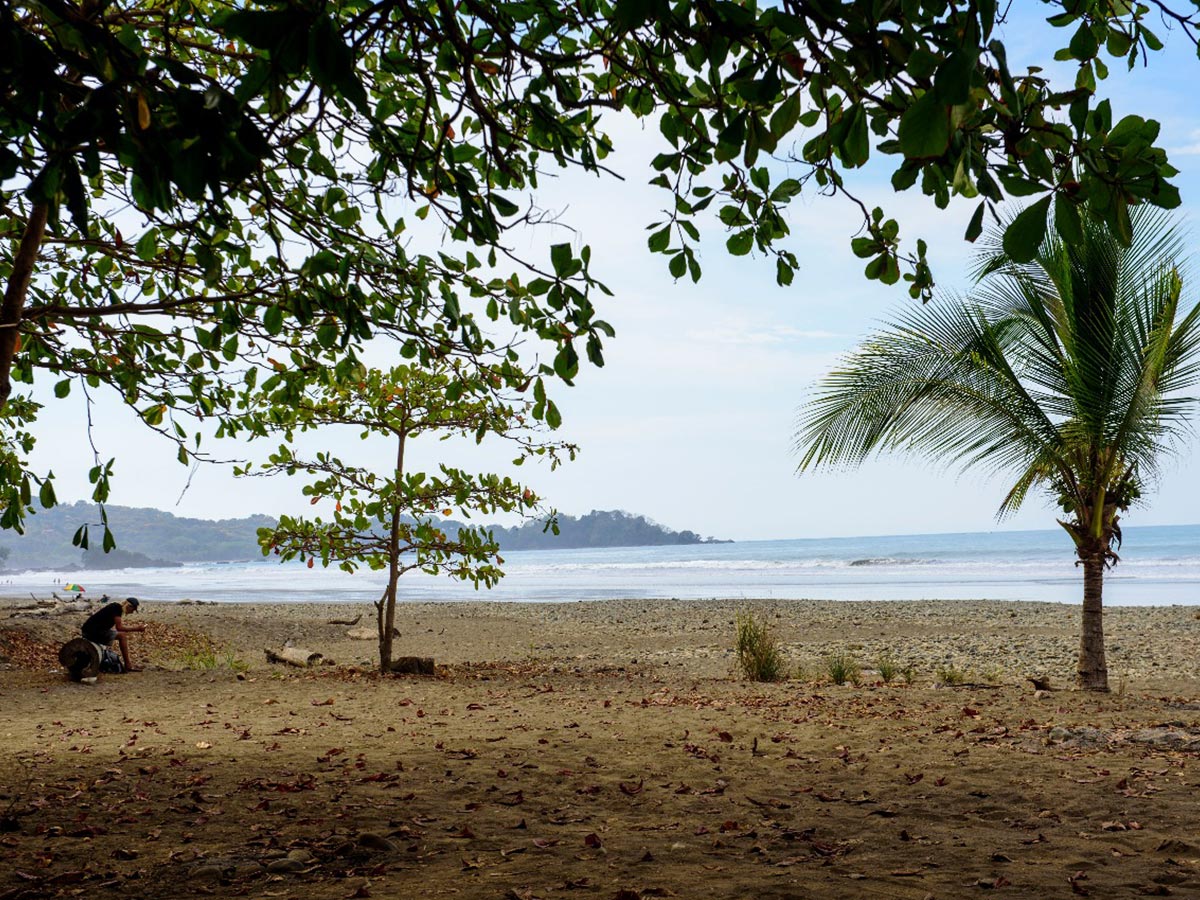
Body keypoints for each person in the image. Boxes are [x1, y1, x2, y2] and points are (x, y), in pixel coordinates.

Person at [80, 597, 145, 673]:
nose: (132, 612)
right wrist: (137, 628)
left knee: (121, 635)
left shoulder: (116, 608)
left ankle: (128, 664)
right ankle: (128, 665)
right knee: (122, 636)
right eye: (133, 610)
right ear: (128, 606)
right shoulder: (117, 608)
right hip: (91, 632)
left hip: (94, 630)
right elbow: (119, 627)